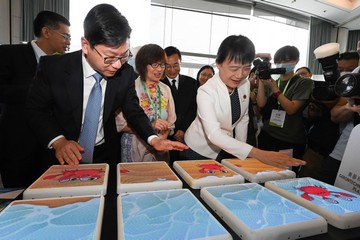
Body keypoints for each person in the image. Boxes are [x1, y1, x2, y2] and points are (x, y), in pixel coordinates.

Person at [25, 4, 187, 171]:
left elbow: (133, 110)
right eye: (109, 58)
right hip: (62, 154)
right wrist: (58, 140)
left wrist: (154, 139)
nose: (117, 65)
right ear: (85, 45)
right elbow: (36, 110)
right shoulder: (54, 68)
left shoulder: (125, 73)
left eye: (123, 56)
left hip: (104, 154)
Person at [179, 35, 306, 169]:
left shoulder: (244, 84)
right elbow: (214, 134)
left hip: (226, 148)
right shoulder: (206, 91)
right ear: (218, 64)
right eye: (234, 68)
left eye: (246, 68)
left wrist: (241, 154)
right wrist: (257, 153)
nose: (240, 75)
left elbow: (243, 119)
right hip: (198, 150)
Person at [0, 10, 70, 188]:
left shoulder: (62, 64)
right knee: (19, 198)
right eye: (65, 36)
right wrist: (37, 91)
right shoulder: (9, 54)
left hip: (51, 148)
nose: (68, 42)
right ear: (46, 32)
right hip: (18, 145)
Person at [256, 45, 313, 174]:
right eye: (280, 61)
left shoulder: (303, 83)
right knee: (262, 173)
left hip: (289, 138)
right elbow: (261, 103)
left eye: (287, 61)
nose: (283, 64)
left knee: (284, 175)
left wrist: (275, 89)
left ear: (296, 61)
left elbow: (291, 109)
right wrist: (261, 79)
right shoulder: (273, 81)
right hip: (268, 134)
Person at [116, 44, 176, 162]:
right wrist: (151, 126)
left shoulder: (165, 89)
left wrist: (164, 135)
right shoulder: (131, 87)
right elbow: (121, 125)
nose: (159, 69)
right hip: (135, 146)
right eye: (154, 65)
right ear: (143, 65)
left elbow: (171, 121)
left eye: (162, 65)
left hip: (161, 147)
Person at [161, 46, 198, 163]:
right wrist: (173, 130)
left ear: (181, 63)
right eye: (168, 65)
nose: (172, 70)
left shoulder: (191, 83)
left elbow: (193, 109)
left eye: (176, 65)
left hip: (186, 136)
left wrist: (182, 129)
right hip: (164, 136)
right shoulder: (158, 84)